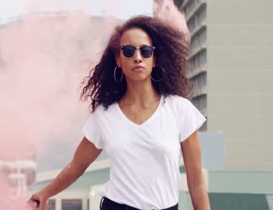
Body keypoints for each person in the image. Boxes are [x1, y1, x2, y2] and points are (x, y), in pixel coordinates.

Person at [29, 16, 210, 210]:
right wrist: (45, 193)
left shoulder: (180, 110)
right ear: (118, 59)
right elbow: (76, 166)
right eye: (129, 50)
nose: (138, 57)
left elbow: (196, 180)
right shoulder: (105, 115)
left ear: (155, 59)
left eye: (146, 51)